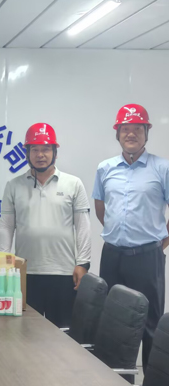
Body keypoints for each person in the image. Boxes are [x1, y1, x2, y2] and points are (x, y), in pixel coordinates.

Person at [92, 103, 169, 371]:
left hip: (148, 257)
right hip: (112, 255)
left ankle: (153, 378)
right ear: (118, 134)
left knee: (150, 322)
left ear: (147, 133)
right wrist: (118, 232)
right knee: (112, 319)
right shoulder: (105, 168)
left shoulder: (162, 168)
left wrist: (159, 243)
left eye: (138, 128)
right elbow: (101, 208)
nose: (131, 134)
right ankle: (113, 379)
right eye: (126, 129)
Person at [0, 123, 91, 328]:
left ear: (55, 152)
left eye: (46, 149)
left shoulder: (73, 184)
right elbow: (6, 226)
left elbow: (83, 226)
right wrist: (3, 262)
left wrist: (83, 263)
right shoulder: (13, 185)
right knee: (26, 332)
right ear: (27, 153)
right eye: (34, 149)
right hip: (26, 273)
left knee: (63, 334)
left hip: (64, 273)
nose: (40, 155)